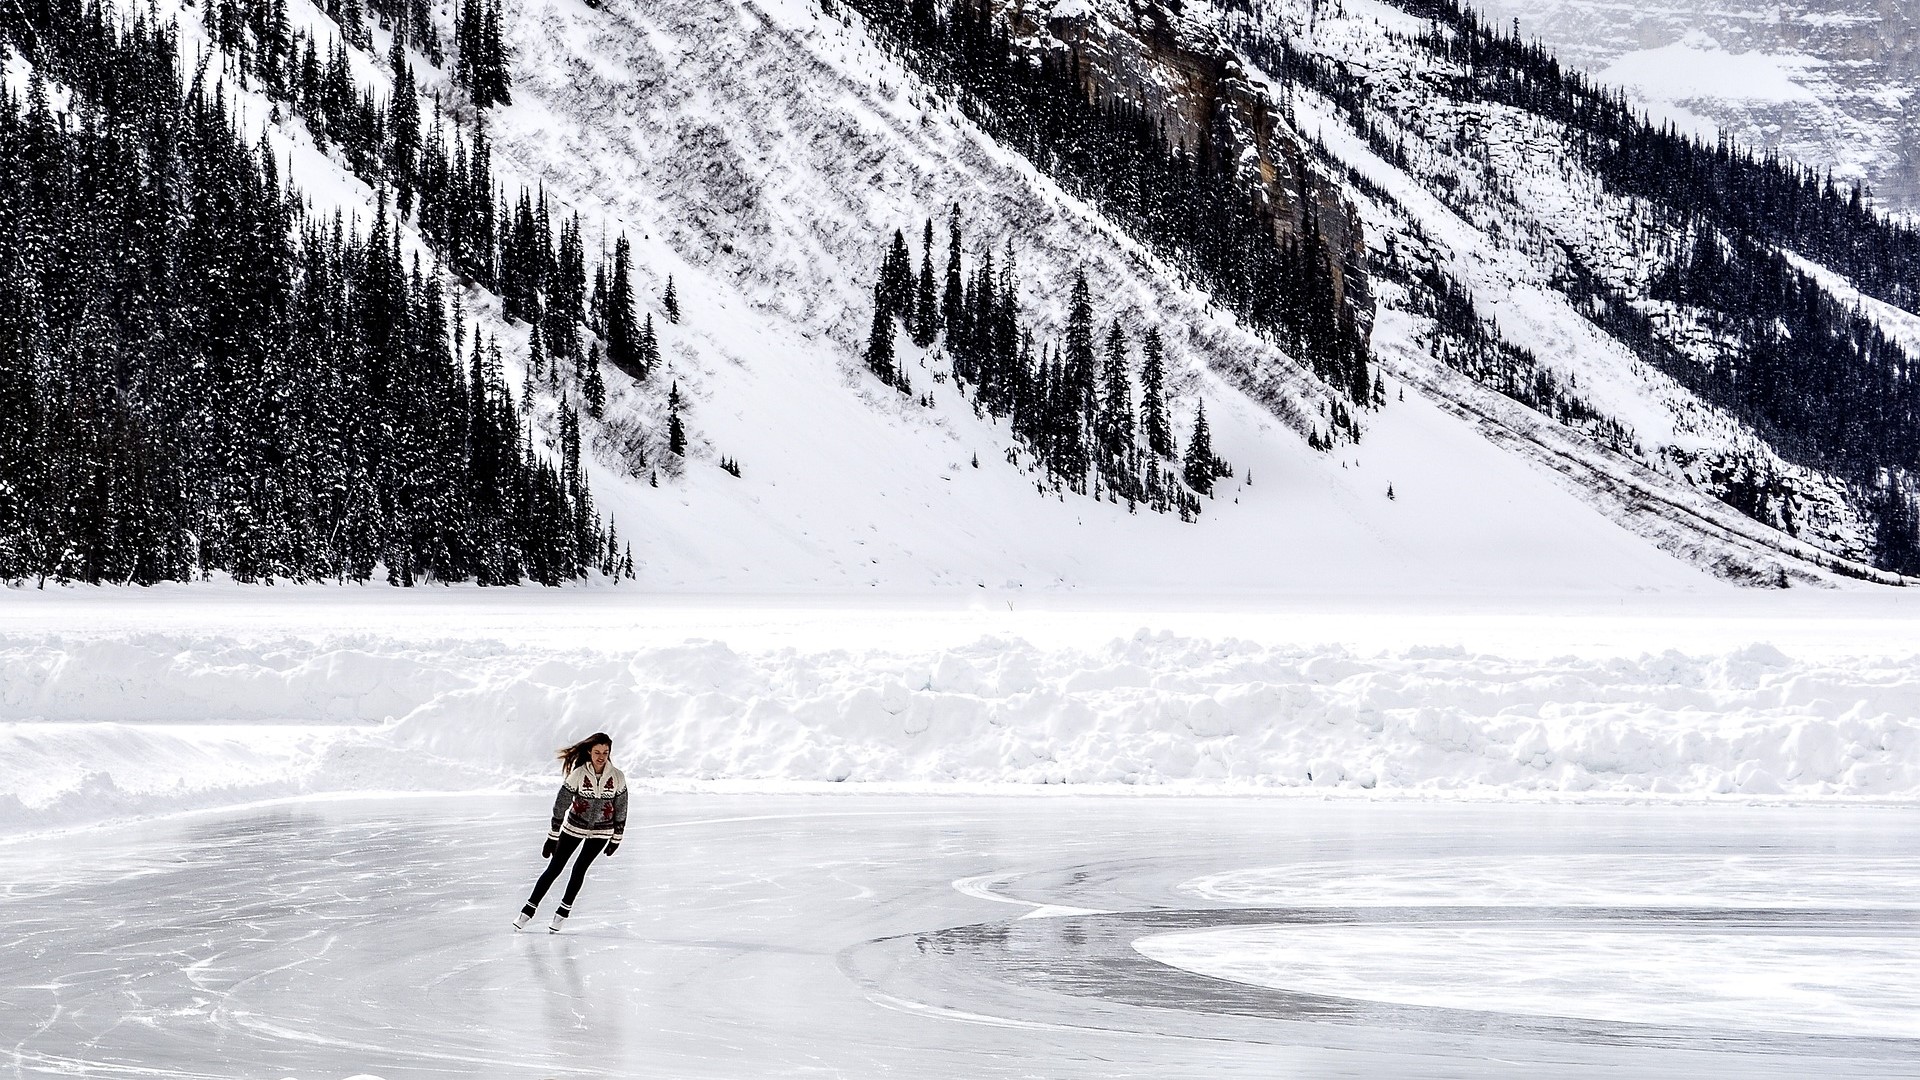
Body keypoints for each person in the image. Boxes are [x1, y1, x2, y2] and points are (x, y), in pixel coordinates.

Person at [515, 732, 628, 932]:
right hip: (573, 828)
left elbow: (621, 807)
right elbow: (561, 804)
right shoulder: (578, 774)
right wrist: (553, 836)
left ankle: (561, 915)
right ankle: (527, 911)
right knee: (555, 868)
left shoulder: (617, 777)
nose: (601, 756)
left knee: (579, 870)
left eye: (605, 752)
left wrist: (616, 837)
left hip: (601, 833)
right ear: (589, 752)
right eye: (597, 752)